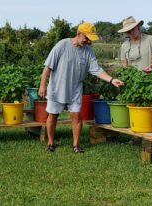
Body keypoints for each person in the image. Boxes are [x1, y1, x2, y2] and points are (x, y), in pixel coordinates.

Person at [38, 22, 124, 153]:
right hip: (57, 87)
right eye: (87, 38)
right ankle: (50, 142)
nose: (88, 41)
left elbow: (96, 70)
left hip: (75, 89)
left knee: (77, 116)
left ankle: (76, 145)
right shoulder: (62, 45)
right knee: (53, 115)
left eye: (90, 39)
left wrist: (111, 80)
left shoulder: (89, 51)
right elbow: (48, 67)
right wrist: (42, 85)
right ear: (78, 34)